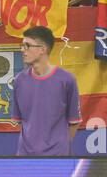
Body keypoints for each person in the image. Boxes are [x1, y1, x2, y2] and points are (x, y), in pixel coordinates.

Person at [6, 25, 80, 157]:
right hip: (25, 157)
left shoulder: (67, 80)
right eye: (22, 46)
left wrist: (60, 146)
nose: (23, 50)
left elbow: (74, 122)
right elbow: (21, 121)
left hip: (58, 158)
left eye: (27, 46)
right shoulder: (19, 81)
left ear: (43, 49)